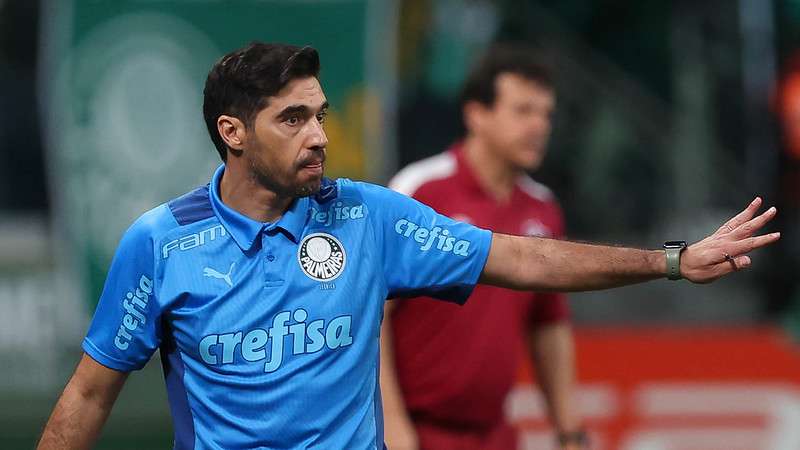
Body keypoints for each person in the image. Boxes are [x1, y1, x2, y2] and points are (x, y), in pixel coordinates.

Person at [37, 41, 779, 450]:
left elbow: (520, 257)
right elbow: (90, 393)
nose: (321, 136)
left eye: (321, 115)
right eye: (293, 119)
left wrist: (673, 261)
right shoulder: (162, 242)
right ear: (233, 133)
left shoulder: (367, 217)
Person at [381, 45, 582, 450]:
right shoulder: (419, 191)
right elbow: (371, 317)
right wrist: (392, 424)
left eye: (546, 113)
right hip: (418, 433)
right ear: (476, 114)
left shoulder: (543, 209)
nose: (539, 125)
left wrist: (569, 429)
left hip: (496, 435)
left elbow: (549, 325)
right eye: (523, 110)